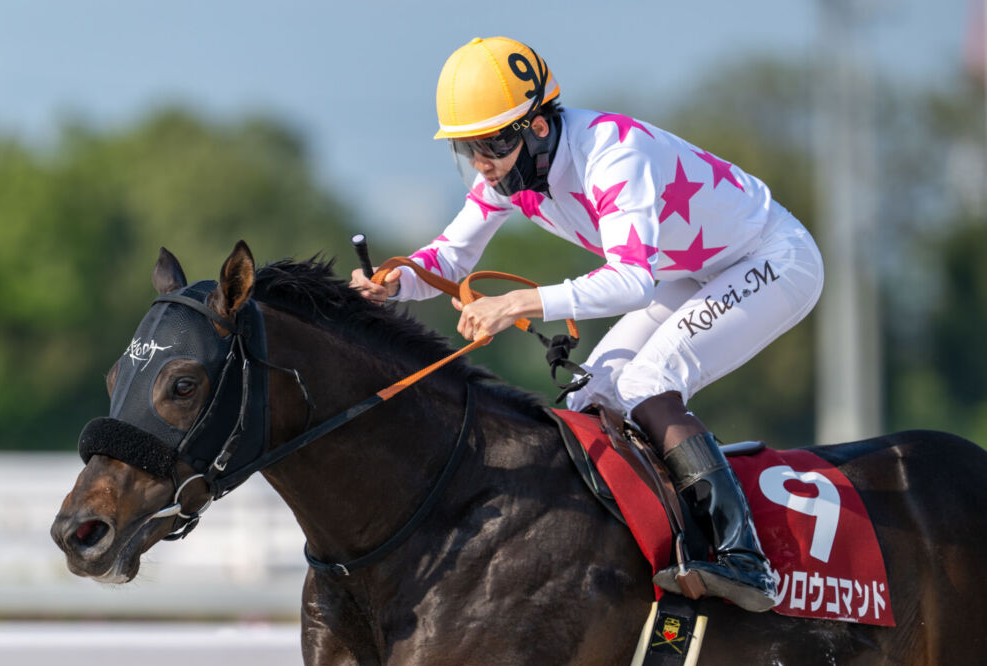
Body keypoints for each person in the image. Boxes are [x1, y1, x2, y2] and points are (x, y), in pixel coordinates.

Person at [350, 36, 823, 613]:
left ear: (538, 127)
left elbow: (632, 282)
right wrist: (396, 280)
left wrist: (516, 304)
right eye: (468, 148)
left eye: (492, 144)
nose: (482, 163)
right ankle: (628, 553)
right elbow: (450, 258)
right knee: (588, 398)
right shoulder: (509, 173)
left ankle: (742, 557)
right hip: (690, 271)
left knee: (647, 383)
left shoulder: (614, 154)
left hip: (772, 259)